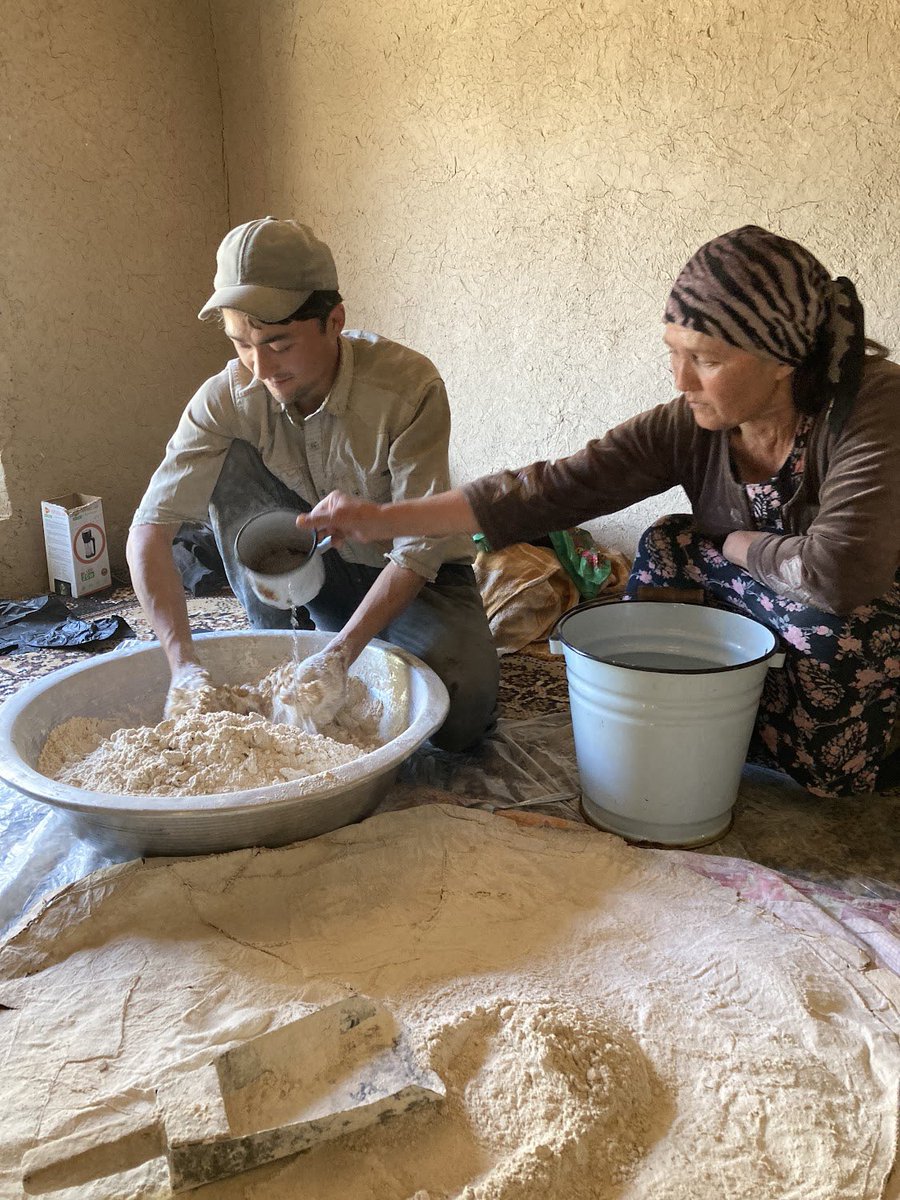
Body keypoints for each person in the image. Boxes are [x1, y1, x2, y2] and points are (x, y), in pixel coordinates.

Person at [297, 226, 900, 798]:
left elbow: (839, 572)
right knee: (667, 549)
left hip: (862, 605)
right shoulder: (690, 424)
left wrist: (737, 543)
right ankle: (709, 734)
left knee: (829, 631)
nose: (681, 378)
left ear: (784, 359)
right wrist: (382, 518)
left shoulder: (874, 407)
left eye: (708, 360)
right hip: (778, 584)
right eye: (674, 351)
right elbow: (553, 488)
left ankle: (842, 754)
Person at [126, 217, 498, 751]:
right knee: (227, 458)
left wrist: (340, 656)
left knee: (459, 714)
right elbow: (150, 530)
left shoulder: (406, 388)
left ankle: (337, 644)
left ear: (334, 320)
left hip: (416, 576)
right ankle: (275, 631)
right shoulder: (229, 395)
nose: (260, 368)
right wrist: (182, 665)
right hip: (312, 569)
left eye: (279, 344)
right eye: (241, 345)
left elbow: (419, 551)